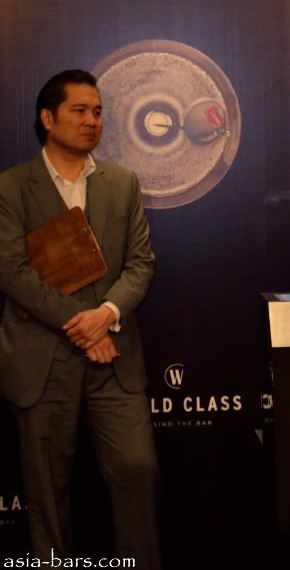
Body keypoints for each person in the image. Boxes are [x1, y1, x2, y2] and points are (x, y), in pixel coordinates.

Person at [0, 70, 160, 567]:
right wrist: (86, 328)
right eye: (80, 110)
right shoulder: (10, 187)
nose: (92, 121)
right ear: (48, 119)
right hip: (42, 361)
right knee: (47, 491)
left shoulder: (123, 183)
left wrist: (106, 314)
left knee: (137, 468)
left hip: (115, 361)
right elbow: (12, 271)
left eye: (98, 112)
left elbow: (141, 263)